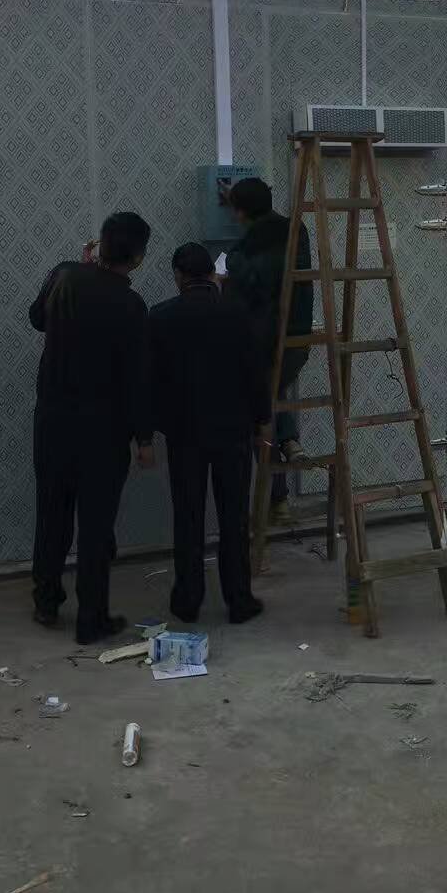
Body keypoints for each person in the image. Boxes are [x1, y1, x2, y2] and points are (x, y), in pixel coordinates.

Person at [29, 211, 154, 643]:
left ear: (100, 243)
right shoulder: (131, 306)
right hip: (104, 429)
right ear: (138, 258)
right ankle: (91, 618)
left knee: (52, 513)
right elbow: (137, 379)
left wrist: (82, 268)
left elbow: (37, 318)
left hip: (53, 421)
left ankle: (46, 601)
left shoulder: (65, 276)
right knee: (96, 525)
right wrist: (143, 437)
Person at [150, 243, 269, 624]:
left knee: (188, 515)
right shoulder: (237, 314)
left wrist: (149, 429)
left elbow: (150, 379)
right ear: (211, 274)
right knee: (234, 516)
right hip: (233, 429)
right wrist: (262, 420)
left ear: (178, 275)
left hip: (184, 432)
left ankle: (188, 600)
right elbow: (255, 371)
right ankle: (239, 599)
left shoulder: (161, 316)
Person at [225, 177, 314, 523]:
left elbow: (255, 281)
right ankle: (290, 441)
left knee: (259, 412)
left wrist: (233, 260)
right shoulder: (297, 229)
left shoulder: (251, 245)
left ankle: (278, 500)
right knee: (273, 395)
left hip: (268, 340)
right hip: (299, 337)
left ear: (240, 211)